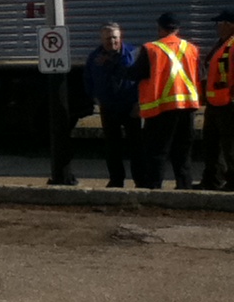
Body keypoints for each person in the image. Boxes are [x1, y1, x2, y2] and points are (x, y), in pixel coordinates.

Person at [128, 12, 200, 189]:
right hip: (187, 108)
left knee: (157, 152)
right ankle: (185, 188)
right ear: (177, 29)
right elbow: (200, 74)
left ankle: (154, 189)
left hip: (161, 109)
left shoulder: (151, 49)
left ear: (160, 29)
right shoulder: (191, 48)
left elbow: (135, 73)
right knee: (183, 153)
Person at [83, 23, 140, 187]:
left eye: (115, 37)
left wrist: (139, 103)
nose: (112, 41)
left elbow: (140, 79)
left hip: (130, 106)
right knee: (112, 146)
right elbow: (88, 78)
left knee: (136, 146)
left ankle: (140, 179)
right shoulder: (94, 57)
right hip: (108, 107)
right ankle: (116, 180)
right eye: (107, 38)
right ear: (101, 39)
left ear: (121, 37)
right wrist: (94, 97)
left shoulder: (133, 53)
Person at [196, 10, 234, 191]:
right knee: (212, 144)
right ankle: (212, 180)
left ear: (229, 24)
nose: (217, 27)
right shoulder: (222, 43)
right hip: (215, 103)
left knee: (230, 146)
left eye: (219, 24)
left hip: (229, 103)